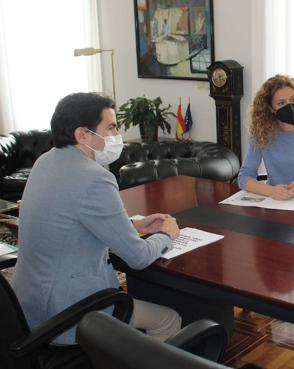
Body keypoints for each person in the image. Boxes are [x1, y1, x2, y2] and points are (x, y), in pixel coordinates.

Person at [11, 92, 182, 344]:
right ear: (82, 135)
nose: (117, 135)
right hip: (70, 312)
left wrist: (135, 224)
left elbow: (72, 224)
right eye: (111, 127)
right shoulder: (95, 177)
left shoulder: (45, 162)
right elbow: (139, 257)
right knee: (169, 320)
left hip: (26, 306)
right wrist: (166, 234)